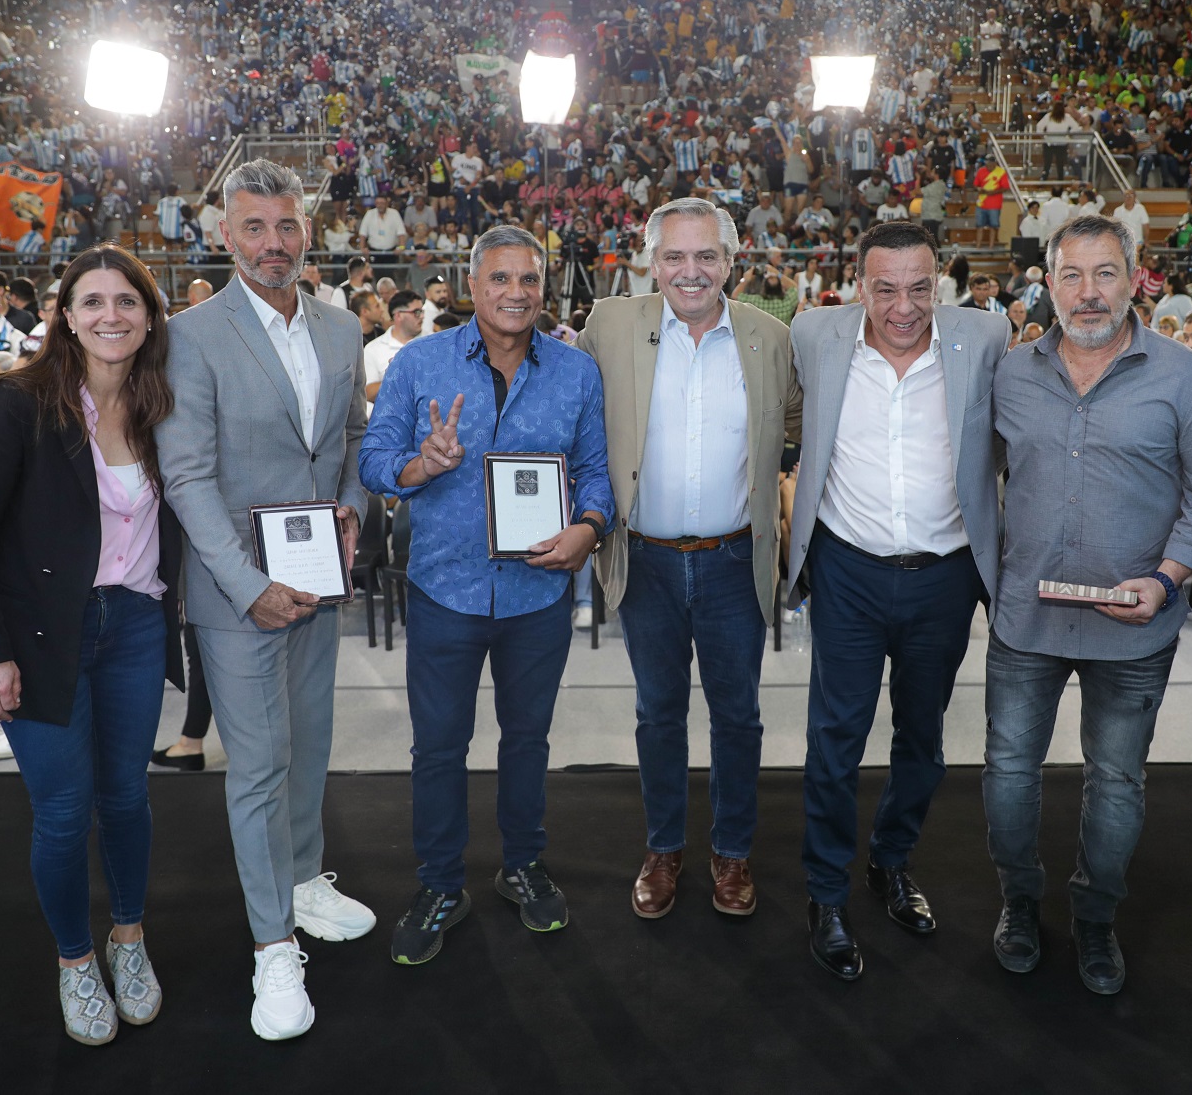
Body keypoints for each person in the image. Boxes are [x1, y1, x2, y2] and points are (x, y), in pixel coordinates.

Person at [0, 245, 187, 1047]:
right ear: (67, 315)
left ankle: (127, 936)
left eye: (127, 300)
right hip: (40, 635)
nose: (111, 315)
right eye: (93, 301)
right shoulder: (17, 401)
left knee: (126, 798)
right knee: (62, 809)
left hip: (137, 626)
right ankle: (75, 958)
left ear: (150, 315)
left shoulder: (161, 402)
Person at [984, 213, 1192, 995]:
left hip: (1136, 625)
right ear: (1048, 281)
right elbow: (974, 474)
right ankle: (1019, 901)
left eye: (1104, 274)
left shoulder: (1187, 378)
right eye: (1071, 275)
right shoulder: (1010, 374)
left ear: (1135, 278)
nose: (1088, 293)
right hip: (1026, 620)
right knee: (1008, 771)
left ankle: (1097, 914)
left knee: (1117, 780)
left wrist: (1165, 579)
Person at [155, 159, 375, 1041]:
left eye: (286, 227)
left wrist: (354, 506)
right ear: (224, 233)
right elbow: (189, 478)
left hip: (317, 578)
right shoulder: (190, 335)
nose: (273, 244)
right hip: (238, 591)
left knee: (311, 738)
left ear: (307, 230)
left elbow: (352, 438)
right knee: (257, 765)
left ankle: (306, 874)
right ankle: (271, 945)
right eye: (255, 228)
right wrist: (249, 588)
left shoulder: (341, 327)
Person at [361, 224, 613, 965]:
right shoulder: (419, 363)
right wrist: (420, 465)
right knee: (438, 747)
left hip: (539, 594)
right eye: (499, 279)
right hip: (445, 589)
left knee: (527, 741)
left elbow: (594, 468)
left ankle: (523, 864)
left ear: (545, 287)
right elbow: (375, 458)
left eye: (528, 280)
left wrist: (589, 528)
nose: (515, 292)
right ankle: (440, 883)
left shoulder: (575, 372)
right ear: (471, 287)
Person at [784, 221, 1008, 981]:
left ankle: (891, 860)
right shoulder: (814, 333)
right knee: (834, 738)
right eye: (886, 288)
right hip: (847, 569)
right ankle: (825, 892)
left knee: (924, 739)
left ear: (940, 282)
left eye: (920, 287)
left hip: (944, 575)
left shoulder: (985, 335)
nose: (904, 306)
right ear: (858, 285)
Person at [578, 197, 802, 921]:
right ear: (649, 261)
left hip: (736, 561)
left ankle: (732, 853)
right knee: (657, 713)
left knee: (739, 715)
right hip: (644, 562)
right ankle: (664, 847)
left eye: (707, 255)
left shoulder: (771, 338)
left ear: (731, 262)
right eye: (674, 255)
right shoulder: (608, 327)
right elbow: (571, 413)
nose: (690, 270)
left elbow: (805, 422)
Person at [363, 289, 423, 404]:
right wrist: (395, 378)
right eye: (416, 312)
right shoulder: (373, 349)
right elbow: (367, 393)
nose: (422, 316)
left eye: (422, 311)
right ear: (398, 315)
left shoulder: (430, 344)